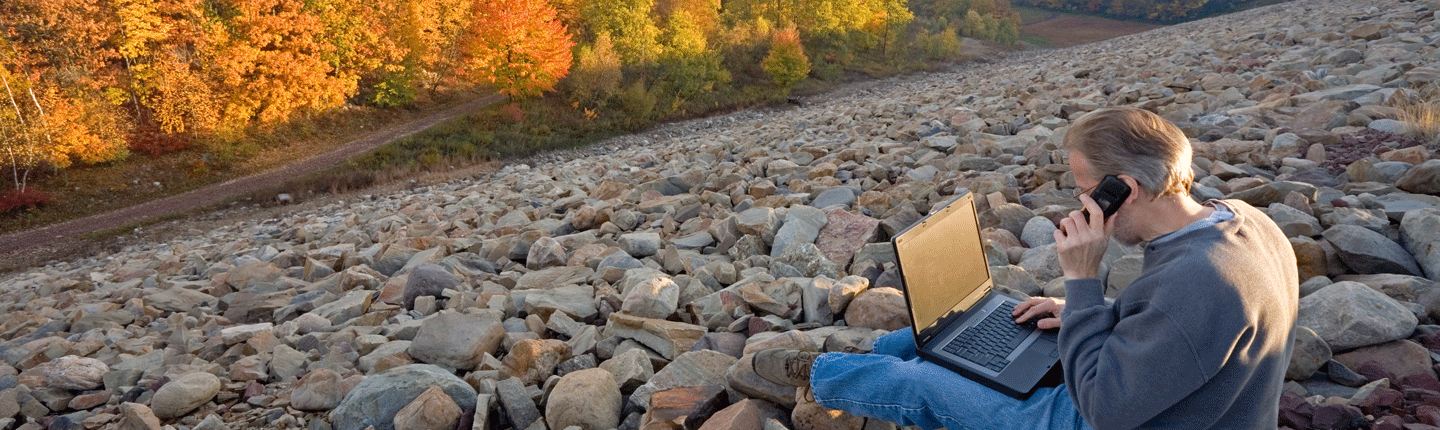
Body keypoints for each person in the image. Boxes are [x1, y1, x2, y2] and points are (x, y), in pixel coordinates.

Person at [754, 106, 1299, 430]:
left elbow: (1104, 409)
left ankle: (817, 378)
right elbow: (1189, 331)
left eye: (1087, 191)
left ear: (1123, 190)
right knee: (950, 333)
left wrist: (1083, 283)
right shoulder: (1243, 220)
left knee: (918, 382)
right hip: (1180, 394)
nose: (1081, 204)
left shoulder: (1197, 280)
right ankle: (851, 358)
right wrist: (1088, 314)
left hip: (1113, 416)